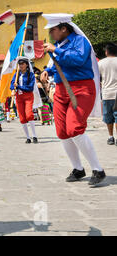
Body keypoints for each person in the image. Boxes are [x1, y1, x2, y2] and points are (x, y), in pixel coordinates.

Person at [41, 13, 106, 186]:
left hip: (81, 89)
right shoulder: (58, 44)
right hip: (62, 89)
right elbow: (61, 64)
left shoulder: (79, 41)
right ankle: (78, 168)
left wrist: (56, 51)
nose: (51, 34)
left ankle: (98, 169)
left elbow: (77, 59)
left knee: (75, 128)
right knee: (62, 131)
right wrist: (49, 71)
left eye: (53, 30)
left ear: (63, 28)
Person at [11, 57, 40, 144]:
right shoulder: (16, 75)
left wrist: (18, 86)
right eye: (19, 64)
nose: (21, 66)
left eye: (23, 64)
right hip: (19, 97)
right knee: (22, 118)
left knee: (29, 115)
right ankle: (28, 137)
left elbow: (30, 88)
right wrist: (12, 89)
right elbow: (12, 83)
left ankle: (34, 136)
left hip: (28, 96)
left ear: (27, 65)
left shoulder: (30, 75)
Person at [98, 43, 117, 146]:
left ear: (106, 51)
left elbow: (97, 77)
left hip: (107, 93)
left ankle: (110, 137)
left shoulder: (101, 63)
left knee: (108, 116)